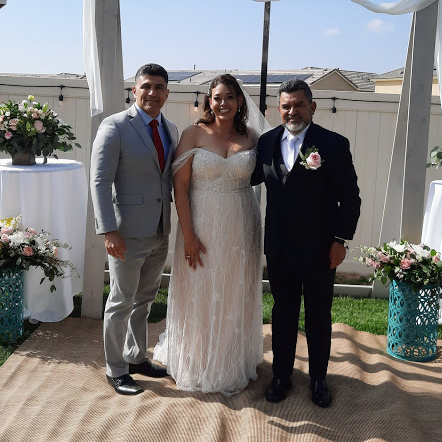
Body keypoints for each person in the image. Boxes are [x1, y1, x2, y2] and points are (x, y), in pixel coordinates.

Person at [252, 78, 361, 408]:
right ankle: (281, 376)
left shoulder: (332, 144)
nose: (292, 111)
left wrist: (340, 240)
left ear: (312, 107)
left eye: (299, 104)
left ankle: (318, 379)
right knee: (282, 313)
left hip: (319, 248)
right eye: (286, 106)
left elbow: (350, 198)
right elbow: (247, 176)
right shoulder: (266, 142)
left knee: (318, 314)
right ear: (278, 109)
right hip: (279, 247)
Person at [153, 74, 264, 396]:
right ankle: (198, 359)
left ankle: (230, 359)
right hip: (200, 223)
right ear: (208, 101)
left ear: (239, 101)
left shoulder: (252, 136)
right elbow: (180, 187)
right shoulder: (193, 133)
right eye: (217, 97)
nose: (223, 103)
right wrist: (189, 235)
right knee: (200, 289)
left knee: (234, 290)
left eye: (229, 97)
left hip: (242, 225)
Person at [90, 63, 178, 396]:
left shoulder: (170, 128)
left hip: (160, 231)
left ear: (167, 93)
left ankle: (136, 356)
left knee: (145, 300)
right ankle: (116, 370)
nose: (152, 93)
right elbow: (100, 181)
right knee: (121, 302)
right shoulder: (114, 126)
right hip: (125, 234)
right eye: (146, 86)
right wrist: (108, 231)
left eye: (159, 87)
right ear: (134, 90)